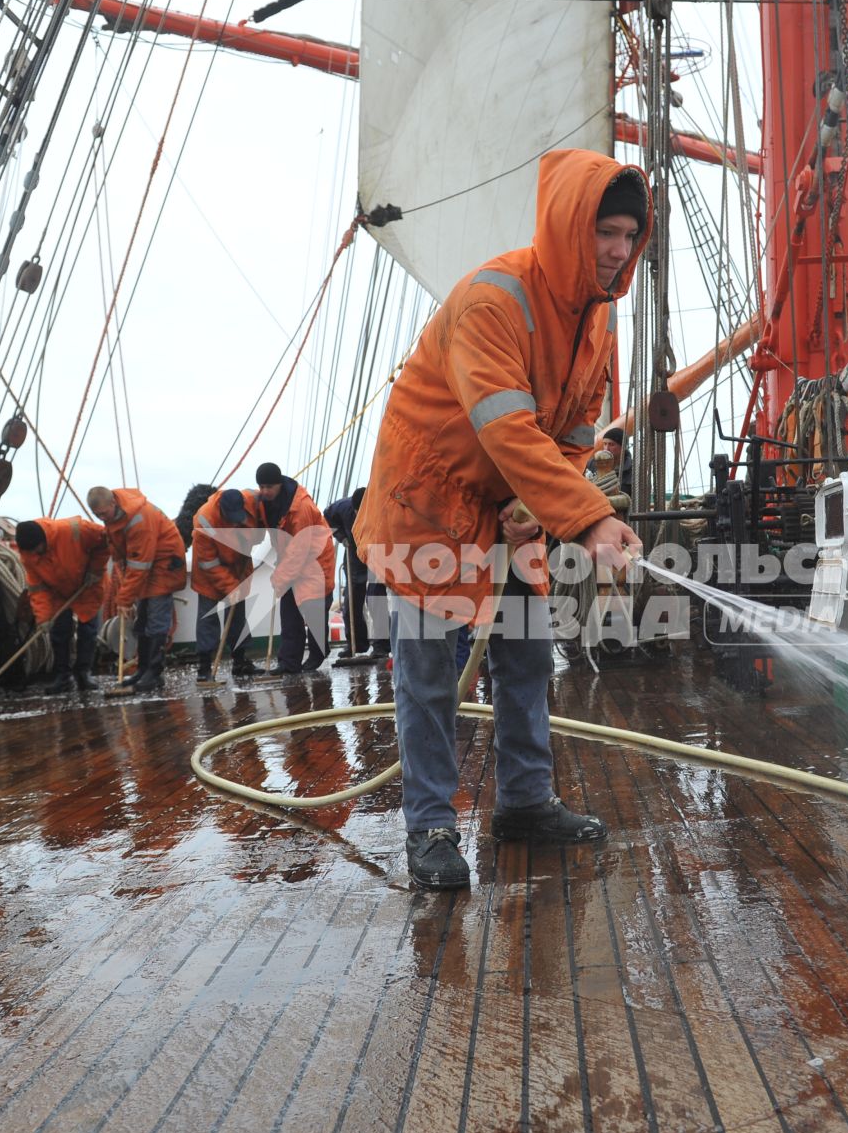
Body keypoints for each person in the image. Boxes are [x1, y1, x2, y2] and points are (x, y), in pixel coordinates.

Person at [353, 148, 649, 889]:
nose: (617, 251)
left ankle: (522, 801)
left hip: (519, 501)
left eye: (628, 236)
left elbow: (576, 432)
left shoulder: (600, 320)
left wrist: (536, 507)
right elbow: (506, 426)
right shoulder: (494, 300)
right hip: (432, 496)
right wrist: (585, 520)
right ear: (568, 227)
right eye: (605, 232)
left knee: (523, 651)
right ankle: (429, 827)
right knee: (427, 668)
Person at [87, 485, 186, 693]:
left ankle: (154, 671)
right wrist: (126, 593)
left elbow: (140, 562)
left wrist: (123, 599)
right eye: (97, 516)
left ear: (113, 503)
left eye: (103, 513)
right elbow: (121, 558)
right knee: (141, 621)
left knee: (157, 620)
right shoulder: (113, 521)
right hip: (146, 568)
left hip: (164, 565)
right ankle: (143, 669)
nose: (101, 519)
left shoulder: (139, 518)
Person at [254, 462, 336, 674]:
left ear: (279, 484)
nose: (264, 491)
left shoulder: (301, 509)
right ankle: (288, 663)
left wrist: (280, 577)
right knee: (289, 610)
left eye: (268, 487)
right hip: (290, 558)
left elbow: (300, 551)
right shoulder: (264, 502)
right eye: (261, 486)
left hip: (315, 560)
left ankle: (318, 653)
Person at [14, 517, 109, 694]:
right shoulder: (29, 554)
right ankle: (62, 677)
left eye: (37, 549)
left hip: (87, 585)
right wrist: (43, 618)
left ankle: (83, 673)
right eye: (31, 552)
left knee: (87, 630)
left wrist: (96, 569)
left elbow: (106, 540)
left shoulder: (75, 529)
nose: (35, 554)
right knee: (59, 632)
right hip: (57, 592)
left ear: (43, 540)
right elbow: (37, 589)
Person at [187, 484, 260, 683]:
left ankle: (240, 662)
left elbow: (262, 522)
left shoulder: (253, 501)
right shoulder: (204, 520)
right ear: (222, 511)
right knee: (208, 619)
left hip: (238, 568)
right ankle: (204, 667)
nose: (236, 524)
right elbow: (209, 564)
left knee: (237, 618)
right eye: (231, 519)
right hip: (209, 574)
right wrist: (230, 588)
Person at [323, 485, 389, 665]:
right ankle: (356, 643)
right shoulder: (341, 508)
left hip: (377, 552)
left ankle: (382, 645)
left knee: (376, 599)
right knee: (352, 599)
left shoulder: (383, 509)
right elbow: (326, 517)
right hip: (353, 552)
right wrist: (342, 537)